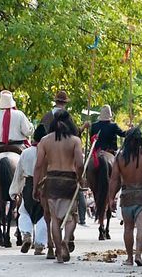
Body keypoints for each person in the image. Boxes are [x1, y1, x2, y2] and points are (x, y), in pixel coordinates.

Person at [32, 110, 84, 264]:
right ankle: (66, 241)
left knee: (54, 219)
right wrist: (79, 178)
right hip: (69, 180)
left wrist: (35, 187)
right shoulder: (75, 140)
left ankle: (59, 254)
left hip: (52, 181)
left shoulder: (45, 141)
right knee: (71, 217)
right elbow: (80, 164)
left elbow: (38, 165)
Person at [108, 127, 142, 267]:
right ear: (141, 139)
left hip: (127, 195)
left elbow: (114, 180)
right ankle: (138, 254)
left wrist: (111, 197)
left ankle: (129, 258)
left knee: (128, 228)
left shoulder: (120, 157)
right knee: (141, 227)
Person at [0, 90, 34, 193]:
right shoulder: (20, 114)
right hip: (18, 146)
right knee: (30, 163)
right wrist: (31, 126)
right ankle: (31, 188)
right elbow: (28, 132)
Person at [9, 124, 48, 255]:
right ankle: (40, 244)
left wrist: (14, 191)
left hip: (28, 184)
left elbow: (18, 173)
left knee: (24, 211)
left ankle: (26, 234)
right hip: (45, 185)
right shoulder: (48, 152)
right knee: (44, 214)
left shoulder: (25, 152)